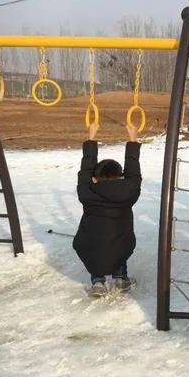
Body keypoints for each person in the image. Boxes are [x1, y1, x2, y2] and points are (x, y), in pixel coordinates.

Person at [73, 123, 141, 297]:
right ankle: (120, 278)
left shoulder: (86, 192)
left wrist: (91, 138)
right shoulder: (129, 192)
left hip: (89, 245)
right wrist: (132, 140)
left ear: (94, 179)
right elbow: (133, 173)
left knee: (94, 244)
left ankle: (97, 282)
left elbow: (85, 170)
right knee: (118, 244)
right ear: (121, 177)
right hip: (120, 244)